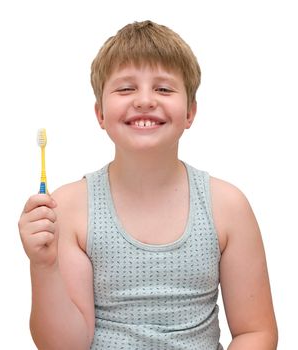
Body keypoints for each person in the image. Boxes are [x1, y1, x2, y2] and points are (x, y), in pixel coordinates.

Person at [18, 20, 278, 350]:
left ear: (190, 113)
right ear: (100, 114)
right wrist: (44, 266)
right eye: (126, 89)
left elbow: (255, 333)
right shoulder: (68, 208)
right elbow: (66, 346)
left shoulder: (227, 206)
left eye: (164, 89)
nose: (144, 100)